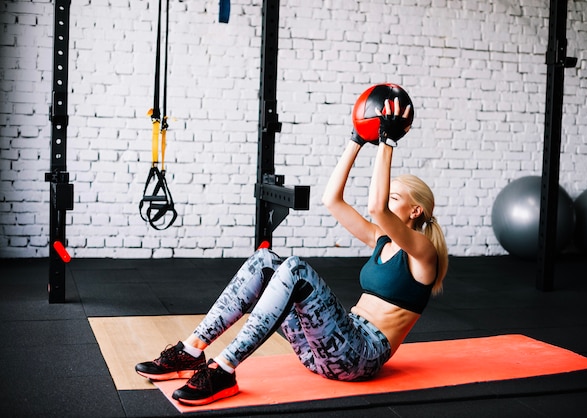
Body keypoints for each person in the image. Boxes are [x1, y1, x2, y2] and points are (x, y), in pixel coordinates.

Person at [135, 97, 449, 406]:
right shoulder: (382, 239)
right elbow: (332, 200)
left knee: (296, 269)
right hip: (324, 348)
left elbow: (376, 208)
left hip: (359, 358)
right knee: (265, 261)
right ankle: (190, 352)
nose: (386, 201)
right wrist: (357, 139)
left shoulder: (424, 254)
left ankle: (224, 369)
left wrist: (388, 141)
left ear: (417, 211)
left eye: (395, 197)